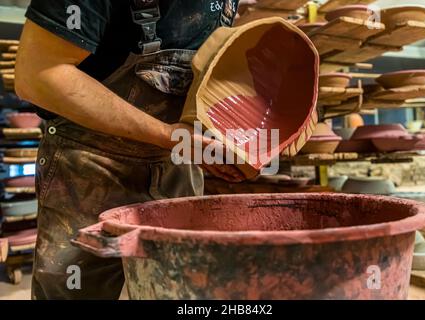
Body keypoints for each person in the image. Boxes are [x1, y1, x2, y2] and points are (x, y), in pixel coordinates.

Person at [15, 0, 256, 300]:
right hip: (91, 168)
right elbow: (37, 75)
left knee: (183, 295)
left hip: (176, 165)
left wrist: (227, 137)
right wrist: (168, 135)